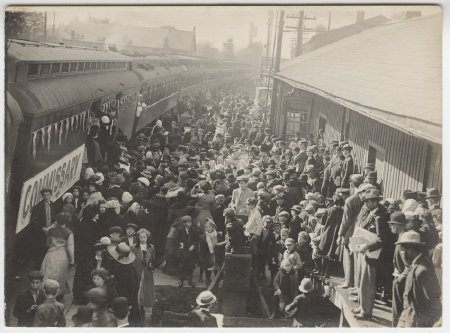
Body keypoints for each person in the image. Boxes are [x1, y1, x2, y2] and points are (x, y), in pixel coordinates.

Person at [352, 189, 391, 319]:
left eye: (367, 201)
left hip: (373, 254)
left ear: (374, 201)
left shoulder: (380, 217)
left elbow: (382, 239)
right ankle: (362, 306)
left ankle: (366, 311)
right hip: (367, 252)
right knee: (363, 281)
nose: (365, 204)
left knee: (368, 283)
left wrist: (367, 246)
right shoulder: (371, 214)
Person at [396, 231, 441, 327]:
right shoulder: (415, 263)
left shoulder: (422, 271)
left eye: (403, 249)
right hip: (407, 313)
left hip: (416, 319)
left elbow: (434, 303)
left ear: (410, 250)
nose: (401, 253)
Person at [40, 212, 75, 302]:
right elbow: (70, 249)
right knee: (60, 276)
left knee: (47, 274)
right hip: (62, 256)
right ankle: (57, 295)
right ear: (67, 222)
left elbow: (47, 244)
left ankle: (45, 293)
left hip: (50, 255)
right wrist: (72, 261)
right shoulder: (69, 233)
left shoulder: (51, 231)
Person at [132, 228, 160, 325]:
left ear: (147, 237)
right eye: (141, 237)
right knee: (138, 293)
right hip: (137, 272)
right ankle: (138, 315)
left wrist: (152, 267)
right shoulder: (134, 247)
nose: (143, 239)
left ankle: (146, 318)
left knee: (147, 293)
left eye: (145, 237)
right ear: (138, 237)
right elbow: (132, 261)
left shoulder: (151, 247)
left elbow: (153, 259)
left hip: (148, 274)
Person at [29, 188, 55, 269]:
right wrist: (42, 228)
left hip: (50, 232)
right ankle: (36, 272)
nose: (46, 197)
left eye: (48, 195)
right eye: (44, 195)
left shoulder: (52, 204)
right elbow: (34, 221)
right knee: (39, 254)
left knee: (48, 253)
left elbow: (54, 217)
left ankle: (44, 271)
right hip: (40, 234)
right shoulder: (38, 207)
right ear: (42, 196)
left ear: (51, 195)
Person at [177, 215, 199, 287]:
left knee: (191, 266)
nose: (190, 223)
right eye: (188, 222)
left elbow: (196, 240)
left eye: (190, 222)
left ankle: (190, 280)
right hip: (183, 250)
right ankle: (181, 280)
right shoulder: (180, 230)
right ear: (184, 223)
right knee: (182, 265)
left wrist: (193, 245)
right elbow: (176, 239)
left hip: (191, 250)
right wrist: (180, 244)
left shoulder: (193, 230)